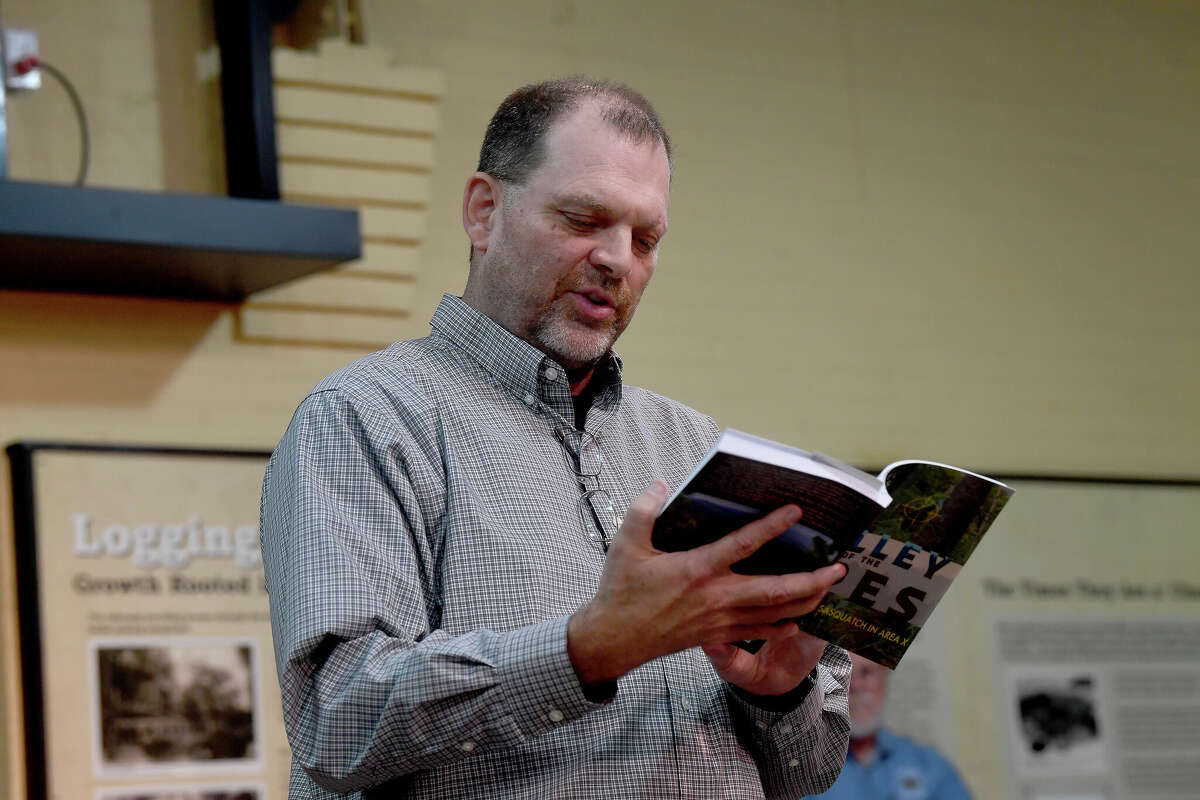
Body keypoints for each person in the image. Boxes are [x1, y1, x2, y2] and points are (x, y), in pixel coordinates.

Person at [261, 77, 851, 800]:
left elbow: (808, 772)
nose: (617, 259)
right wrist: (587, 650)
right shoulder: (367, 417)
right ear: (485, 211)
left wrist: (779, 694)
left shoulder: (699, 448)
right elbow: (333, 721)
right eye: (583, 219)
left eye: (645, 238)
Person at [805, 654, 972, 799]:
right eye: (841, 675)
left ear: (885, 678)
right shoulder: (799, 770)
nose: (854, 686)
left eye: (866, 672)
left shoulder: (930, 765)